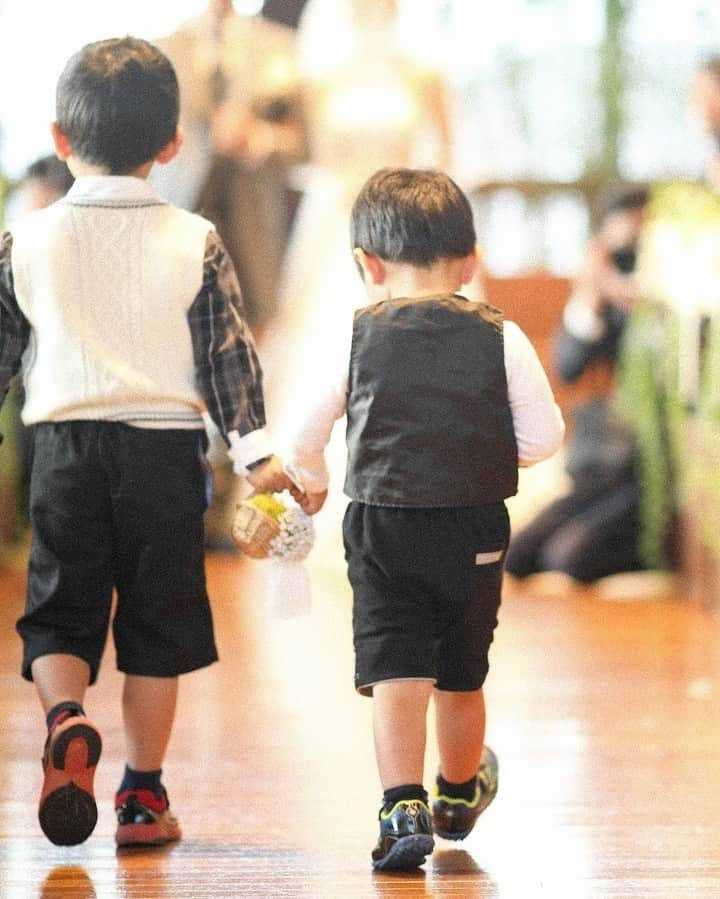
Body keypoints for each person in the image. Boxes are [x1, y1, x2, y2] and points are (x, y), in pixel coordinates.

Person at [0, 36, 290, 848]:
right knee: (156, 630)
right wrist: (257, 454)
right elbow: (230, 357)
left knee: (59, 612)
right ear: (171, 145)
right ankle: (141, 797)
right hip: (164, 457)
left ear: (61, 138)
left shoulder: (26, 240)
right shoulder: (193, 237)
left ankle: (65, 718)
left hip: (61, 448)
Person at [285, 168, 565, 871]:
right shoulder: (502, 337)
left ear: (367, 266)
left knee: (397, 670)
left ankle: (402, 804)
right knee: (462, 676)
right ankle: (460, 790)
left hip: (383, 529)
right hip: (472, 530)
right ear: (470, 264)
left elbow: (305, 432)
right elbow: (543, 439)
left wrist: (314, 482)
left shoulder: (355, 337)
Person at [504, 185, 649, 585]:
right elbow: (569, 366)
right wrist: (593, 291)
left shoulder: (657, 307)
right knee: (517, 555)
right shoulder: (597, 303)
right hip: (595, 466)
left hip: (637, 475)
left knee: (570, 557)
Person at [154, 0, 306, 336]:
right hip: (180, 208)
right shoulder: (164, 48)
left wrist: (260, 137)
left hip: (254, 218)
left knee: (259, 325)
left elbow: (305, 144)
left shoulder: (278, 44)